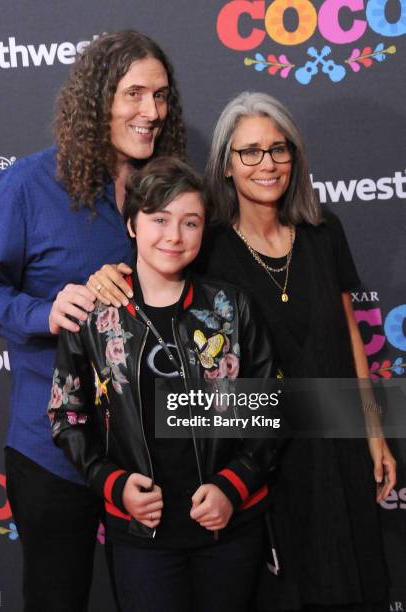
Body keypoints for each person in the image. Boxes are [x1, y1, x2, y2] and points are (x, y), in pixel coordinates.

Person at [85, 92, 396, 612]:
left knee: (358, 583)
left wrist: (374, 431)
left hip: (339, 440)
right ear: (226, 166)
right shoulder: (206, 245)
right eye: (249, 151)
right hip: (263, 455)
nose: (266, 164)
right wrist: (102, 278)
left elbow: (348, 339)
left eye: (279, 149)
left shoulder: (324, 231)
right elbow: (149, 283)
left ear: (294, 157)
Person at [0, 30, 186, 612]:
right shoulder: (30, 184)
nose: (150, 112)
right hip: (52, 449)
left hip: (150, 452)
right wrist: (48, 309)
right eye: (134, 94)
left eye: (160, 97)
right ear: (98, 98)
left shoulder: (168, 192)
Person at [48, 157, 278, 612]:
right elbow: (66, 415)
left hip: (228, 529)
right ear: (132, 224)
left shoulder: (232, 308)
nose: (174, 236)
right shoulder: (94, 317)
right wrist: (113, 484)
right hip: (139, 535)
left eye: (190, 222)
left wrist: (233, 486)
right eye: (159, 219)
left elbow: (272, 409)